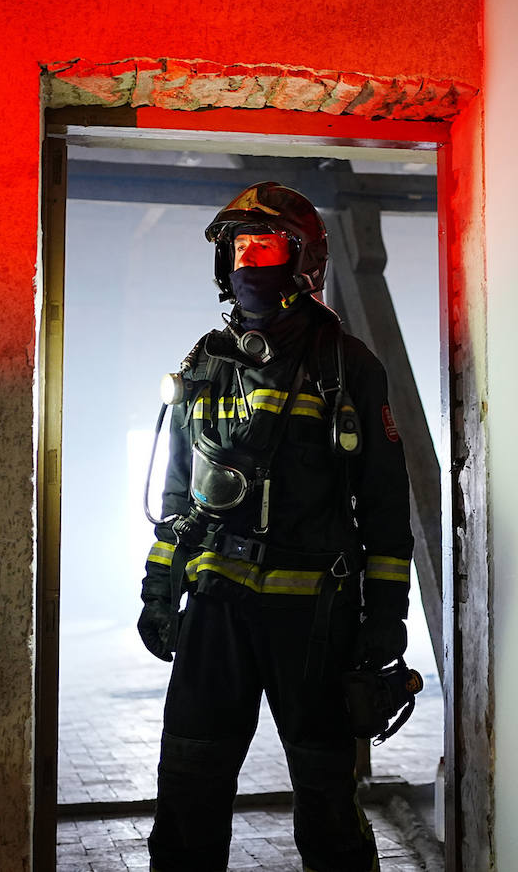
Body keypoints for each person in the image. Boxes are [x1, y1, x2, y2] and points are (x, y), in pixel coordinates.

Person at [137, 182, 413, 871]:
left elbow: (383, 507)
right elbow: (178, 497)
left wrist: (384, 620)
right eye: (236, 249)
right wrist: (158, 586)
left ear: (303, 261)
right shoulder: (202, 363)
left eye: (263, 247)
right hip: (215, 613)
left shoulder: (348, 368)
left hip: (313, 620)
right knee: (187, 796)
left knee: (326, 807)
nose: (245, 263)